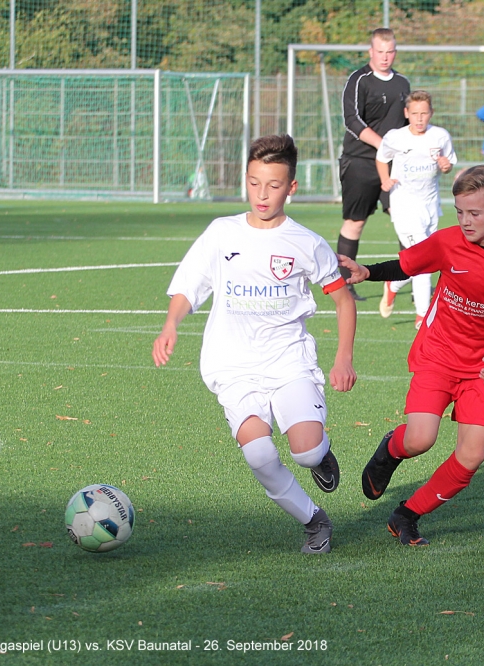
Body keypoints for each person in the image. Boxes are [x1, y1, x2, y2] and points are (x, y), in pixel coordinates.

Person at [152, 135, 357, 554]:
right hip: (232, 366)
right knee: (259, 455)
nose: (262, 194)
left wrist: (344, 358)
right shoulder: (221, 233)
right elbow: (190, 284)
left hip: (288, 362)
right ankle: (314, 521)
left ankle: (319, 455)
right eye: (254, 183)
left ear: (291, 187)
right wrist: (171, 323)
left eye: (274, 185)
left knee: (305, 452)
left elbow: (342, 300)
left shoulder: (306, 243)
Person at [339, 165, 484, 546]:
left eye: (474, 213)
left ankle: (407, 514)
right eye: (460, 211)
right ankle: (390, 451)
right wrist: (367, 271)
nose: (465, 221)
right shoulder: (448, 242)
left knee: (472, 456)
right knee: (420, 439)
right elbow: (407, 264)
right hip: (439, 355)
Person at [338, 27, 411, 301]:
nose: (385, 57)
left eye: (390, 51)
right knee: (355, 223)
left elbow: (409, 121)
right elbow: (352, 120)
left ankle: (411, 282)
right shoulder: (359, 80)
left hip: (394, 165)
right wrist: (384, 145)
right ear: (371, 51)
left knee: (405, 221)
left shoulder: (402, 83)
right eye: (380, 51)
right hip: (360, 162)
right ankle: (345, 284)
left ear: (395, 52)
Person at [376, 90, 457, 329]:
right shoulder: (396, 137)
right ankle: (422, 315)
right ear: (406, 113)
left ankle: (393, 284)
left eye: (424, 113)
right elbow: (382, 157)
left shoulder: (440, 136)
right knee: (423, 259)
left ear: (431, 113)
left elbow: (448, 164)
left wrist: (446, 166)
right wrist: (385, 180)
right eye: (414, 114)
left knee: (424, 260)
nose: (419, 119)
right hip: (404, 206)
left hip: (430, 206)